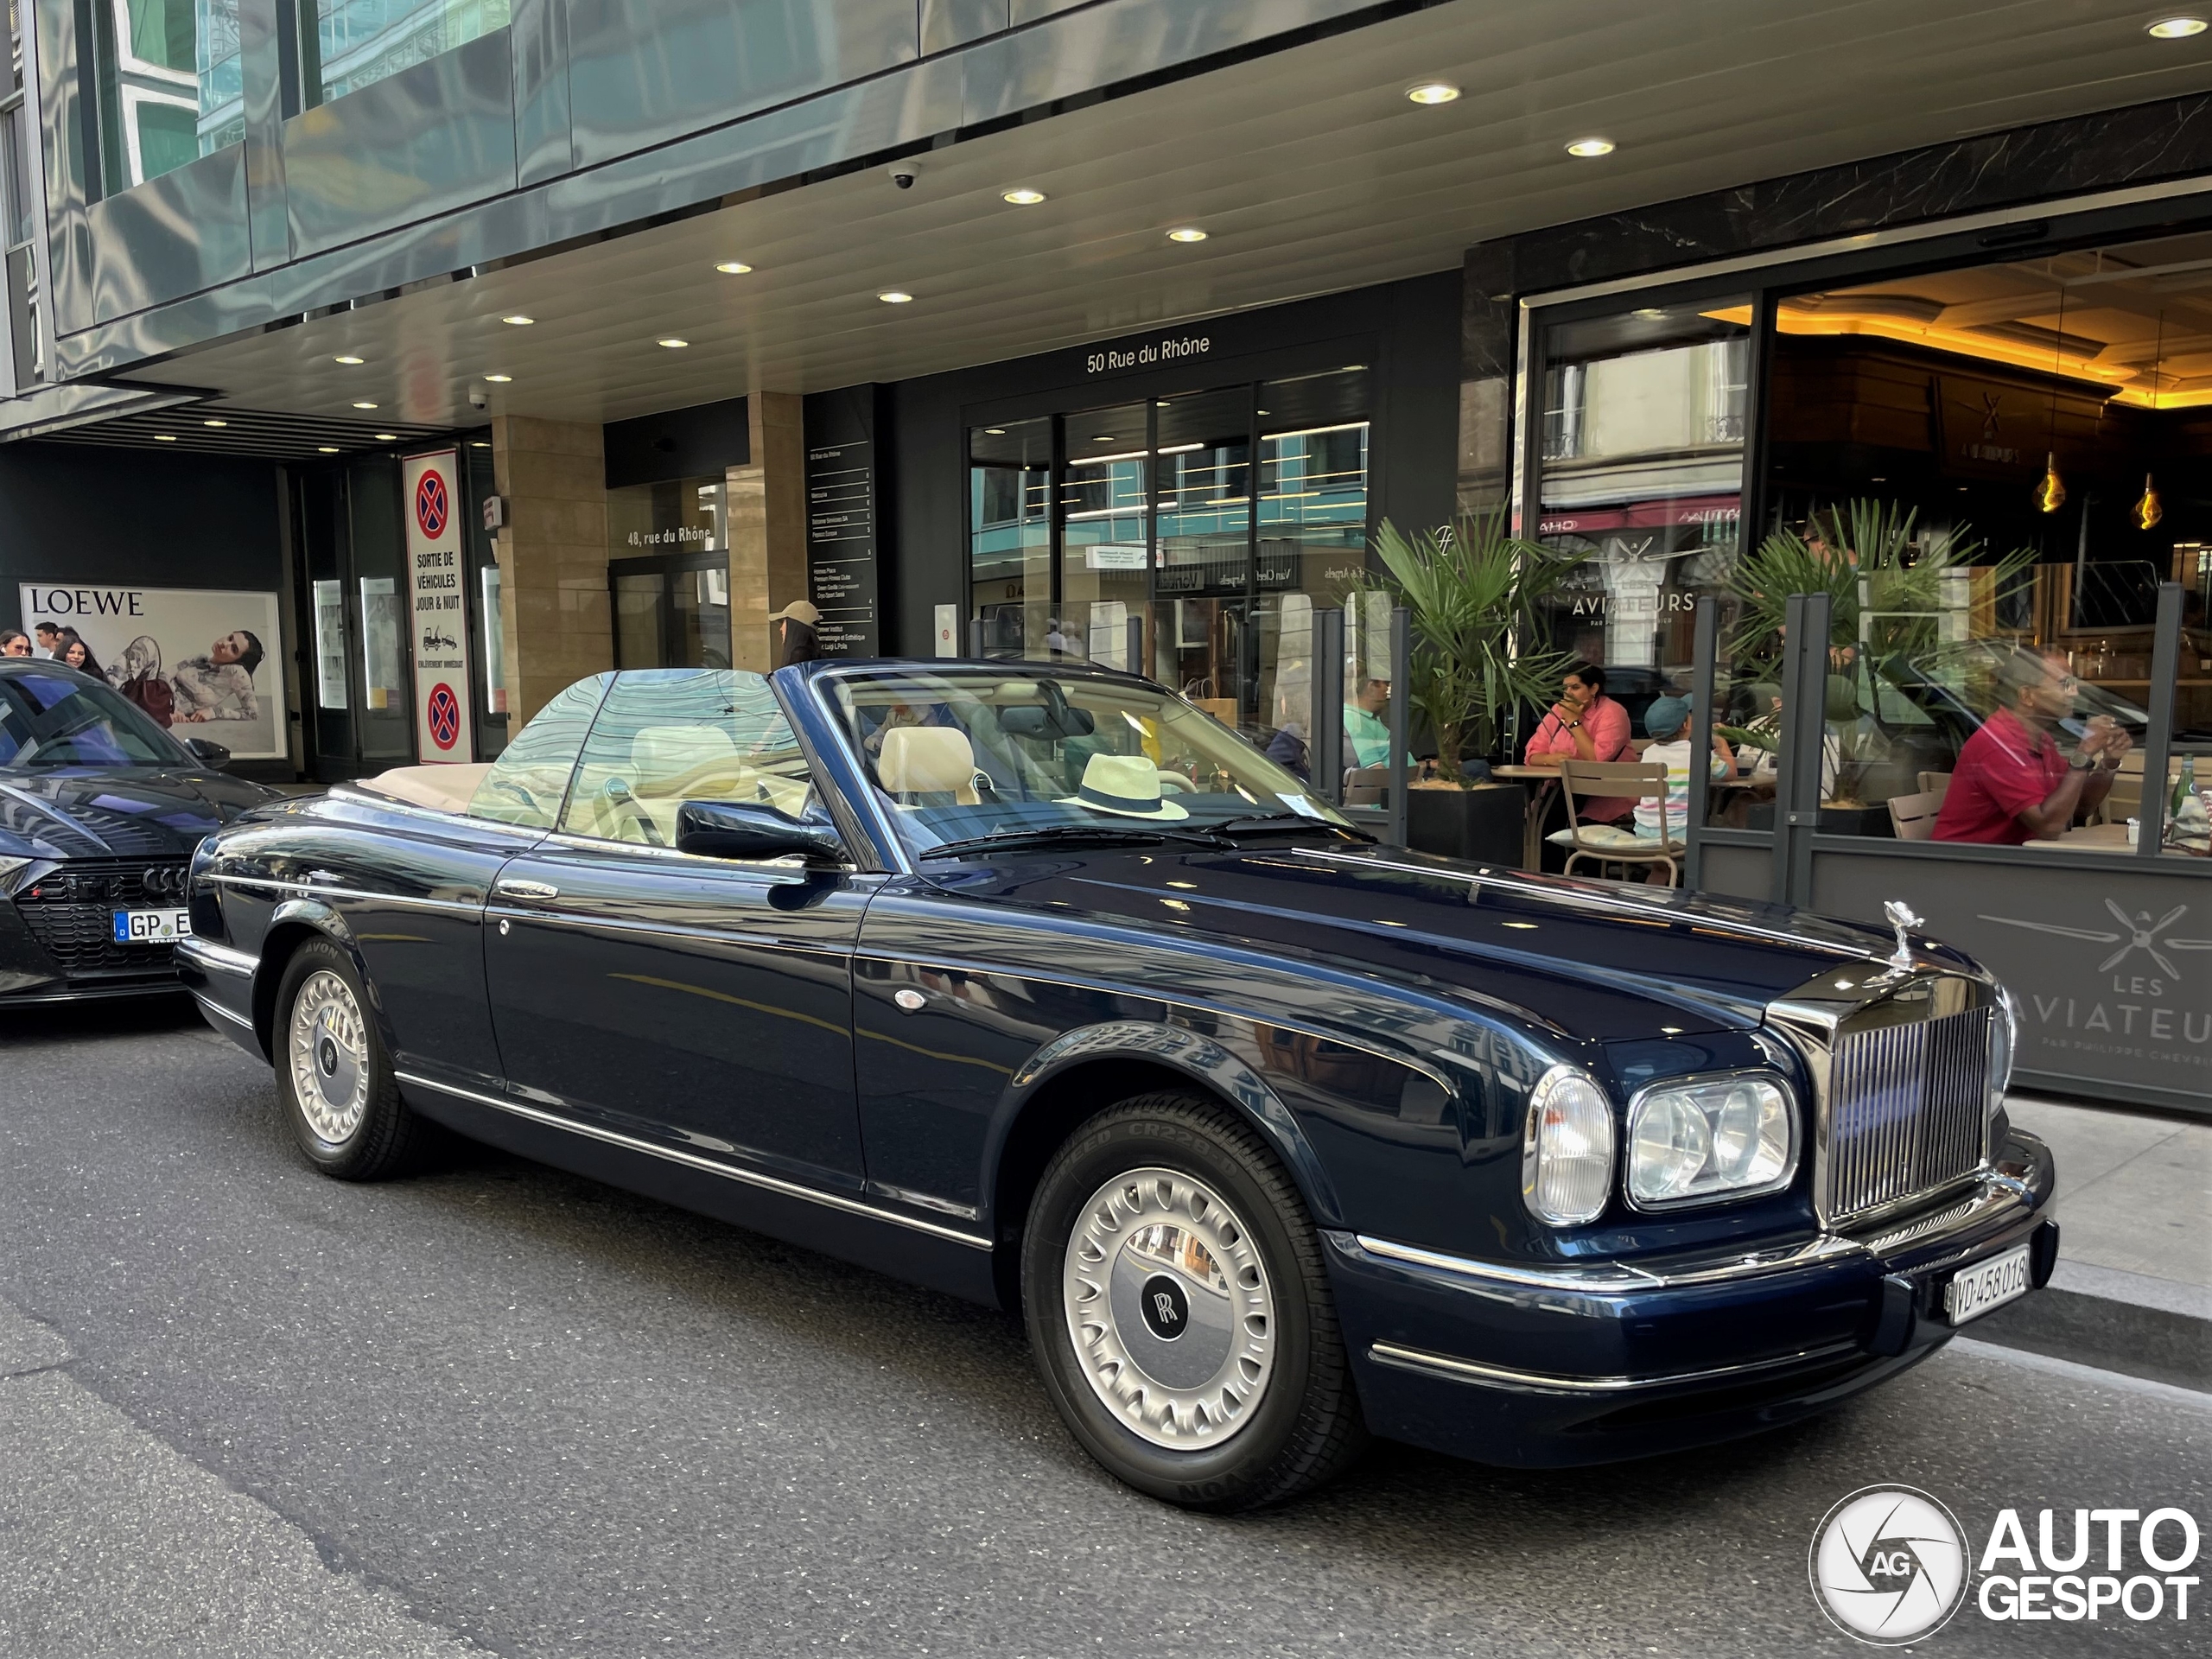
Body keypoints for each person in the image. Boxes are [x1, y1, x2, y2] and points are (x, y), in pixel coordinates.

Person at [1934, 648, 2130, 845]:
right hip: (1966, 868)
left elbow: (2080, 806)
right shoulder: (1997, 744)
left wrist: (2109, 763)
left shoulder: (2041, 739)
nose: (2074, 692)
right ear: (2027, 696)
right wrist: (2084, 751)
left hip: (2010, 862)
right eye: (2064, 684)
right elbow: (2049, 828)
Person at [1632, 696, 1732, 880]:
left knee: (1662, 867)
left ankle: (1653, 896)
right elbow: (1730, 774)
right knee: (1725, 826)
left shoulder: (1649, 753)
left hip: (1644, 831)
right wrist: (1722, 743)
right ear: (1686, 725)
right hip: (1680, 834)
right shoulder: (1697, 753)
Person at [1524, 663, 1635, 822]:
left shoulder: (1612, 713)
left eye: (1575, 688)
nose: (1567, 694)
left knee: (1552, 817)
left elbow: (1597, 759)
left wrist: (1573, 721)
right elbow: (1532, 754)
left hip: (1603, 793)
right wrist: (1550, 759)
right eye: (1565, 688)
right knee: (1542, 815)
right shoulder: (1557, 710)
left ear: (1593, 689)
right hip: (1561, 789)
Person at [172, 629, 264, 723]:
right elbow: (165, 676)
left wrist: (215, 712)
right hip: (160, 693)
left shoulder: (236, 672)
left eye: (234, 649)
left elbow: (252, 713)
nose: (225, 644)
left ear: (239, 661)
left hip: (165, 706)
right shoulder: (199, 659)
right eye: (230, 638)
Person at [771, 600, 822, 666]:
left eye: (784, 622)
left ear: (793, 626)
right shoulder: (813, 653)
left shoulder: (799, 655)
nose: (781, 629)